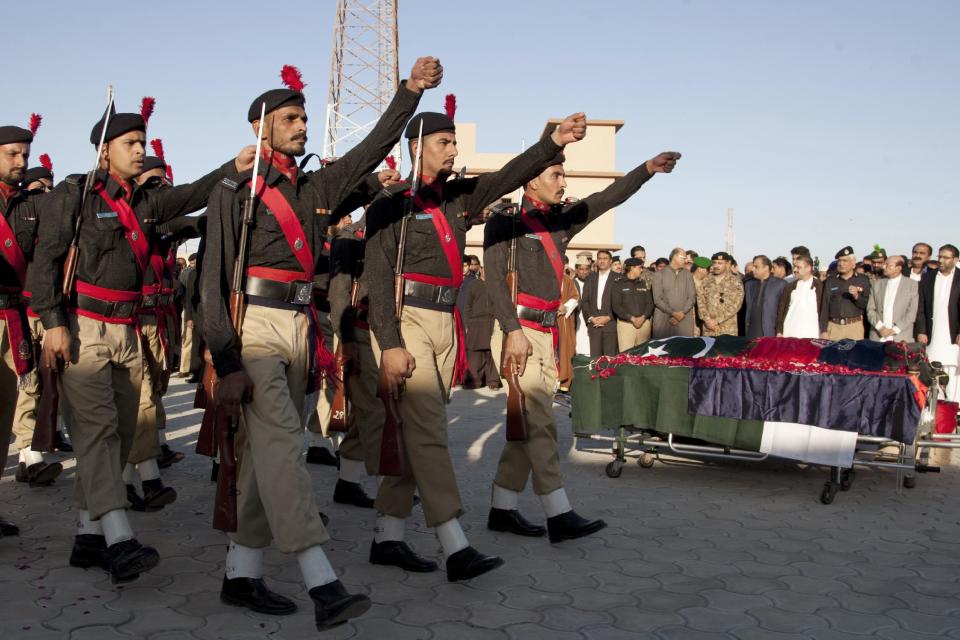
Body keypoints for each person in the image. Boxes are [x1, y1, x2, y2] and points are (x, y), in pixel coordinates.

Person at [365, 108, 587, 580]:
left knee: (413, 430)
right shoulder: (390, 205)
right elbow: (378, 280)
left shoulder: (461, 199)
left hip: (447, 321)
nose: (454, 149)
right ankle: (454, 544)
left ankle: (387, 537)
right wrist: (388, 341)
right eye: (444, 141)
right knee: (427, 430)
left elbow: (512, 173)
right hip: (406, 322)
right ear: (417, 147)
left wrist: (553, 142)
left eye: (454, 141)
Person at [32, 109, 251, 581]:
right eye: (129, 142)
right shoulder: (74, 195)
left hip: (128, 329)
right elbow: (44, 261)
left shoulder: (148, 201)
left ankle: (88, 535)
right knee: (96, 432)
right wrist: (53, 323)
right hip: (83, 327)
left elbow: (191, 195)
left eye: (141, 141)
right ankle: (119, 537)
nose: (138, 149)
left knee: (125, 433)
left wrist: (232, 167)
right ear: (104, 149)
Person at [484, 146, 679, 542]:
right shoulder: (504, 222)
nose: (564, 182)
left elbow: (607, 198)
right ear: (532, 179)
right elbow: (492, 281)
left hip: (546, 332)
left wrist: (646, 169)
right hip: (516, 333)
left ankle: (502, 508)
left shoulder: (561, 221)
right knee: (540, 422)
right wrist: (513, 332)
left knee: (528, 424)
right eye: (556, 174)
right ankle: (559, 512)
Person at [0, 123, 44, 537]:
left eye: (24, 155)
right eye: (12, 154)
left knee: (3, 414)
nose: (20, 162)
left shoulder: (32, 205)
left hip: (12, 316)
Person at [916, 245, 960, 401]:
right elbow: (921, 306)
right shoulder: (928, 277)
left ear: (955, 259)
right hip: (932, 332)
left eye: (945, 257)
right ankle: (935, 407)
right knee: (933, 367)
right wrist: (921, 330)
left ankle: (954, 408)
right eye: (939, 257)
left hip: (953, 334)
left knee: (953, 369)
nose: (941, 260)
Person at [459, 254, 500, 389]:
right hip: (475, 323)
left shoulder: (497, 286)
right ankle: (474, 380)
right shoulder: (473, 285)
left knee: (492, 353)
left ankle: (493, 381)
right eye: (486, 269)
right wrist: (467, 324)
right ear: (481, 269)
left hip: (492, 322)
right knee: (475, 354)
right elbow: (467, 306)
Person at [819, 246, 871, 340]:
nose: (841, 264)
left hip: (854, 327)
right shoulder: (830, 281)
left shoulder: (863, 280)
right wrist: (823, 330)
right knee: (833, 354)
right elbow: (824, 307)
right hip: (834, 327)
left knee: (855, 354)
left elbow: (865, 305)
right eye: (839, 261)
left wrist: (856, 296)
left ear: (853, 263)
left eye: (845, 261)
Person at [866, 255, 918, 342]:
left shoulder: (911, 285)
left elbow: (912, 312)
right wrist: (880, 327)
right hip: (878, 336)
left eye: (888, 265)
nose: (883, 267)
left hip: (901, 337)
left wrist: (895, 329)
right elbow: (870, 309)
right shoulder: (877, 284)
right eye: (884, 264)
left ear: (898, 268)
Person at [580, 249, 618, 357]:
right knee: (595, 360)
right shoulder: (590, 278)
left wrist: (609, 317)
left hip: (610, 325)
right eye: (600, 258)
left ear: (610, 261)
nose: (602, 261)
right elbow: (585, 301)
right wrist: (591, 318)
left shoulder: (618, 278)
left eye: (605, 258)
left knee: (610, 362)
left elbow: (621, 303)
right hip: (594, 325)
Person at [652, 248, 697, 338]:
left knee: (684, 349)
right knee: (663, 350)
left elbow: (692, 297)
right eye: (683, 258)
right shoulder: (659, 275)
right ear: (674, 257)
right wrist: (673, 313)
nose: (686, 260)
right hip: (664, 320)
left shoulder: (688, 275)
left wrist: (682, 314)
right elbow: (657, 299)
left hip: (684, 320)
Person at [697, 251, 744, 337]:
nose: (716, 266)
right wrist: (707, 320)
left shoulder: (735, 282)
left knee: (727, 350)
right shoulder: (706, 280)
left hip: (727, 329)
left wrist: (717, 320)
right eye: (714, 263)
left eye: (720, 263)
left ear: (727, 264)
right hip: (708, 329)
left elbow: (736, 304)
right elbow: (700, 301)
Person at [611, 257, 654, 350]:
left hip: (644, 325)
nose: (642, 270)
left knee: (643, 356)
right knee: (626, 356)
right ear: (631, 268)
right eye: (639, 267)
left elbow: (650, 304)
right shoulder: (618, 284)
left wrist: (643, 317)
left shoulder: (643, 283)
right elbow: (616, 306)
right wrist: (632, 319)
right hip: (626, 325)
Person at [776, 254, 823, 338]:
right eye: (794, 267)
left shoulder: (820, 286)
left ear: (808, 268)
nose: (795, 270)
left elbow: (824, 311)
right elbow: (781, 310)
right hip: (790, 334)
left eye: (798, 267)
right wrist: (779, 331)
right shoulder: (789, 287)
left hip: (812, 335)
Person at [743, 255, 787, 338]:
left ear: (766, 268)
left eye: (756, 267)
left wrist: (780, 331)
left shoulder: (780, 284)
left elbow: (784, 311)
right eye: (753, 266)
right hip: (751, 332)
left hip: (770, 332)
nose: (753, 269)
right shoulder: (749, 284)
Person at [556, 255, 579, 396]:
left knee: (564, 350)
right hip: (547, 319)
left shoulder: (568, 281)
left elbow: (575, 297)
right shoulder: (544, 279)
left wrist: (565, 307)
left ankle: (564, 383)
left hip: (563, 319)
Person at [177, 253, 199, 379]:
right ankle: (185, 368)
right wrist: (188, 316)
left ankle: (194, 369)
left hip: (197, 311)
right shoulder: (188, 273)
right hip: (189, 310)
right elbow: (186, 295)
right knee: (187, 339)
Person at [572, 256, 591, 354]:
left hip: (590, 320)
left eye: (586, 269)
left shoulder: (593, 283)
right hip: (577, 319)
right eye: (581, 269)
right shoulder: (571, 284)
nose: (584, 272)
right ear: (576, 270)